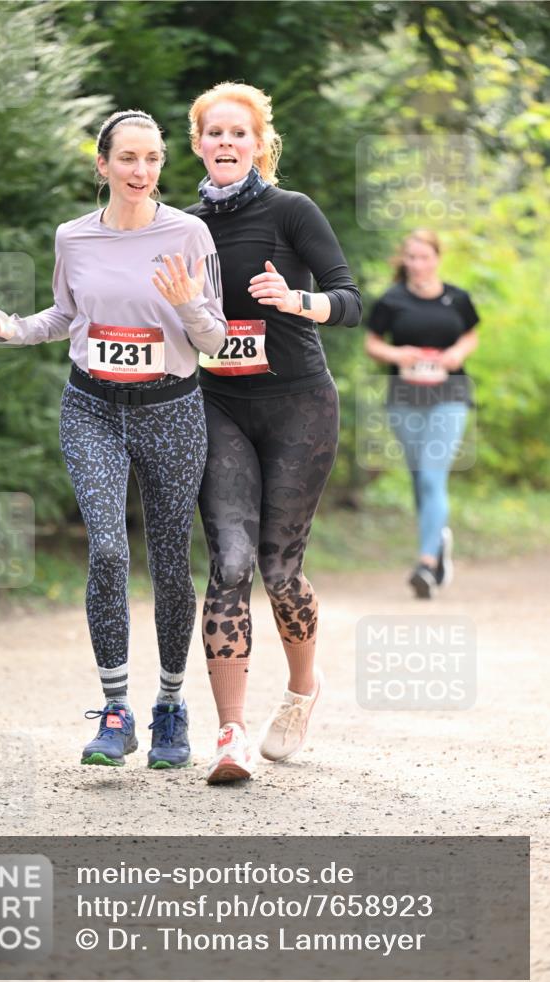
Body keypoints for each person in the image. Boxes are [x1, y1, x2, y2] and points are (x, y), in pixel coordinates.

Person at [0, 109, 226, 770]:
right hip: (92, 408)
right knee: (108, 551)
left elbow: (215, 340)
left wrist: (189, 302)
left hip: (171, 409)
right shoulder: (73, 238)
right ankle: (115, 711)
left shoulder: (189, 233)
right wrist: (14, 328)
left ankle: (170, 707)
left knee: (170, 561)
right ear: (102, 164)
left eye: (153, 159)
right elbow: (65, 315)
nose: (141, 172)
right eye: (128, 159)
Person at [185, 82, 362, 783]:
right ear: (196, 143)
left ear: (259, 145)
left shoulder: (290, 211)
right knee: (228, 560)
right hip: (217, 403)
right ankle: (228, 735)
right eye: (213, 133)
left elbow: (350, 299)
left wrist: (298, 301)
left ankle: (299, 691)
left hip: (297, 404)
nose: (226, 144)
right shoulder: (182, 225)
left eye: (238, 134)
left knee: (277, 566)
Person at [364, 229, 480, 599]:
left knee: (432, 476)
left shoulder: (456, 298)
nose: (417, 264)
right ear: (404, 261)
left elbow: (472, 333)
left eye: (424, 257)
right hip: (404, 398)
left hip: (450, 395)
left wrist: (458, 353)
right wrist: (400, 356)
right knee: (419, 479)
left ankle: (426, 564)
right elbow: (373, 344)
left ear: (437, 258)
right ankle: (438, 541)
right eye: (411, 257)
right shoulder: (391, 301)